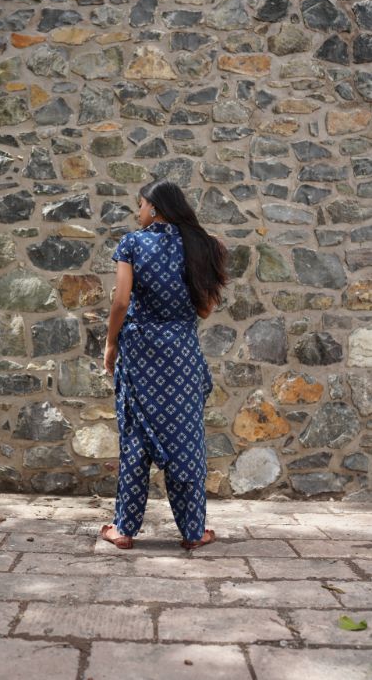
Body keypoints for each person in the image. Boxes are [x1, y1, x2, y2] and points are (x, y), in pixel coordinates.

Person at [101, 180, 227, 550]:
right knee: (186, 437)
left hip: (140, 351)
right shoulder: (205, 245)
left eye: (140, 205)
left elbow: (121, 301)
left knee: (136, 435)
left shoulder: (132, 243)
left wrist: (111, 343)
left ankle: (124, 529)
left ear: (154, 207)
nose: (137, 212)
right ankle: (193, 532)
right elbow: (205, 309)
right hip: (182, 355)